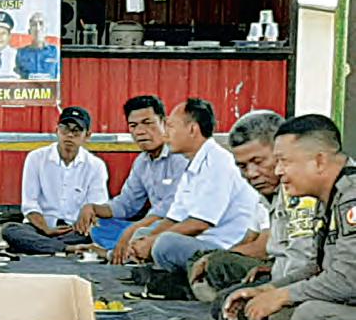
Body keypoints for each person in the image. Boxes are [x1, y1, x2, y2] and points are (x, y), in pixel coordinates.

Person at [224, 115, 356, 320]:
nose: (278, 171)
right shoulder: (331, 196)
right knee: (278, 315)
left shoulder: (352, 198)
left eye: (284, 161)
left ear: (319, 160)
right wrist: (268, 290)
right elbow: (317, 268)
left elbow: (349, 279)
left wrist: (283, 295)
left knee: (311, 318)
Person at [189, 111, 316, 298]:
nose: (251, 174)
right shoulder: (266, 194)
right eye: (242, 166)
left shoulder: (300, 189)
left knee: (220, 276)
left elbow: (301, 261)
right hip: (279, 273)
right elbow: (250, 238)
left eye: (258, 162)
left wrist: (274, 290)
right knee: (202, 258)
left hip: (298, 284)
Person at [127, 99, 259, 273]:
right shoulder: (191, 164)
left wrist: (153, 241)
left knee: (165, 244)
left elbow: (200, 223)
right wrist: (146, 240)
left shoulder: (217, 161)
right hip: (197, 242)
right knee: (142, 234)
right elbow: (174, 218)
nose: (165, 134)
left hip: (224, 248)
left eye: (171, 126)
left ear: (192, 129)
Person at [74, 95, 188, 260]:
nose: (140, 131)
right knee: (99, 225)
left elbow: (170, 210)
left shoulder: (180, 156)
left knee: (151, 233)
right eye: (133, 125)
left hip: (176, 225)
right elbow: (127, 204)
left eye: (147, 123)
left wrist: (131, 231)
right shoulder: (142, 162)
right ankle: (130, 251)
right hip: (148, 225)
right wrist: (93, 208)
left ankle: (119, 251)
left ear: (164, 123)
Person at [1, 107, 109, 254]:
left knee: (96, 233)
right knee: (10, 230)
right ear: (56, 130)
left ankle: (38, 246)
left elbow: (97, 206)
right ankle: (66, 248)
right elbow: (30, 205)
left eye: (76, 131)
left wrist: (84, 223)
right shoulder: (36, 158)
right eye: (65, 129)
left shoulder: (96, 165)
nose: (70, 135)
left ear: (87, 136)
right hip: (40, 227)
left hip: (73, 231)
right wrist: (46, 229)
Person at [14, 12, 59, 80]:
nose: (38, 28)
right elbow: (17, 77)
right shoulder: (21, 53)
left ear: (46, 29)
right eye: (34, 25)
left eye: (41, 24)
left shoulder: (55, 52)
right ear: (29, 31)